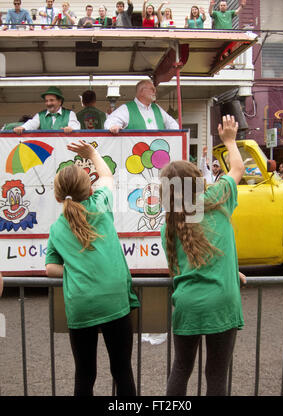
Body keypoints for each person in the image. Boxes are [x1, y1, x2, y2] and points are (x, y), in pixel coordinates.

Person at [45, 140, 140, 396]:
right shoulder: (100, 204)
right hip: (114, 300)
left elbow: (50, 268)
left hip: (81, 304)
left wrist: (76, 270)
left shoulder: (56, 228)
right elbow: (107, 175)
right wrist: (92, 153)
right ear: (89, 189)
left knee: (85, 374)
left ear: (57, 195)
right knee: (122, 370)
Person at [160, 115, 245, 396]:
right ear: (197, 181)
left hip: (188, 304)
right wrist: (229, 140)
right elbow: (237, 168)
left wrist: (230, 268)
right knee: (216, 375)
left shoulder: (170, 225)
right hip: (222, 301)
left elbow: (179, 269)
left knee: (181, 369)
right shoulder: (219, 199)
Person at [104, 79, 179, 133]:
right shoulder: (127, 108)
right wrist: (113, 127)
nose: (155, 92)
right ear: (142, 91)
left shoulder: (157, 108)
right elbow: (111, 122)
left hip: (157, 153)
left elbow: (172, 124)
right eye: (152, 89)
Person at [13, 87, 80, 134]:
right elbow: (32, 123)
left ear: (59, 101)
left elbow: (75, 126)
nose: (48, 103)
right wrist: (23, 127)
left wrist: (71, 128)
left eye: (51, 100)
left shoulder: (70, 114)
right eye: (46, 101)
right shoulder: (40, 115)